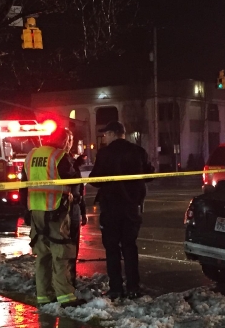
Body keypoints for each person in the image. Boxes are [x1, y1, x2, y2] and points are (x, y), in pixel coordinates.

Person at [89, 121, 155, 299]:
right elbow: (149, 173)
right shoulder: (138, 151)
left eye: (105, 134)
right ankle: (133, 287)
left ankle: (116, 288)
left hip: (111, 207)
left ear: (112, 133)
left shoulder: (104, 153)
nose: (104, 137)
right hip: (132, 207)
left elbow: (94, 180)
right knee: (130, 247)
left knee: (112, 249)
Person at [21, 128, 84, 308]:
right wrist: (77, 163)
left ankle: (44, 295)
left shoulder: (31, 155)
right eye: (69, 141)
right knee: (61, 252)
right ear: (64, 141)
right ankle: (65, 296)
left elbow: (23, 184)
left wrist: (25, 210)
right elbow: (72, 180)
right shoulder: (60, 156)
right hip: (56, 208)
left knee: (42, 253)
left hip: (36, 209)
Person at [65, 134, 87, 286]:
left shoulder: (69, 159)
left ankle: (69, 279)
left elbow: (79, 188)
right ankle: (67, 281)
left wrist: (83, 211)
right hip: (64, 209)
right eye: (68, 140)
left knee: (71, 247)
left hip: (73, 207)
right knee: (67, 247)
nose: (69, 143)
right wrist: (76, 166)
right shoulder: (61, 159)